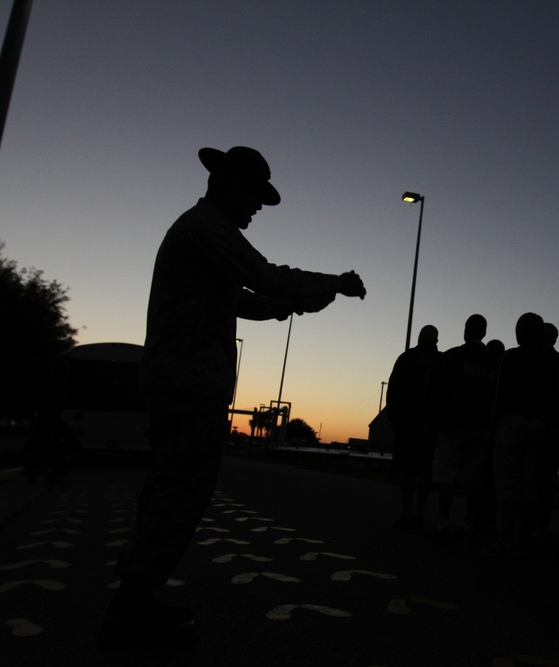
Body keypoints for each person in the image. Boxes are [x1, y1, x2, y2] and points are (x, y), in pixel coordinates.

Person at [98, 146, 366, 648]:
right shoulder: (209, 230)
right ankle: (132, 604)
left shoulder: (202, 232)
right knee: (182, 492)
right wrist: (334, 283)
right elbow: (263, 275)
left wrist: (294, 304)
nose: (258, 207)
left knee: (170, 489)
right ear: (229, 185)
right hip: (189, 381)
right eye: (254, 195)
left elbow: (243, 300)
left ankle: (135, 592)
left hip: (182, 380)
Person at [485, 312, 559, 557]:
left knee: (507, 483)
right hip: (540, 426)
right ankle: (524, 536)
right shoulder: (555, 361)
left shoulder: (510, 357)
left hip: (511, 423)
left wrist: (492, 427)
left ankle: (507, 537)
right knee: (530, 483)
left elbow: (499, 395)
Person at [426, 314, 496, 541]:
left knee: (446, 474)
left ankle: (443, 522)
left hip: (451, 424)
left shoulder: (452, 356)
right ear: (484, 332)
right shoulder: (492, 361)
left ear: (466, 330)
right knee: (473, 476)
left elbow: (434, 387)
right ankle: (469, 521)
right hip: (480, 426)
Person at [386, 324, 441, 529]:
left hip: (408, 423)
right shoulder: (441, 361)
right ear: (436, 340)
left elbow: (393, 389)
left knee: (408, 470)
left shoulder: (406, 358)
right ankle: (419, 513)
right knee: (425, 471)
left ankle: (408, 511)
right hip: (430, 426)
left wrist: (394, 417)